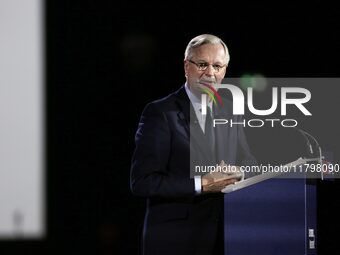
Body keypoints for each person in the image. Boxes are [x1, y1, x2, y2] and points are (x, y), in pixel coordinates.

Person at [130, 34, 257, 255]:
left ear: (224, 72)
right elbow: (142, 182)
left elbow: (248, 162)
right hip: (175, 240)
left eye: (217, 66)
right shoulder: (160, 113)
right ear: (186, 67)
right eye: (202, 64)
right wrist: (203, 183)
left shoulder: (230, 111)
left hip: (226, 237)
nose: (210, 73)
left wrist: (240, 173)